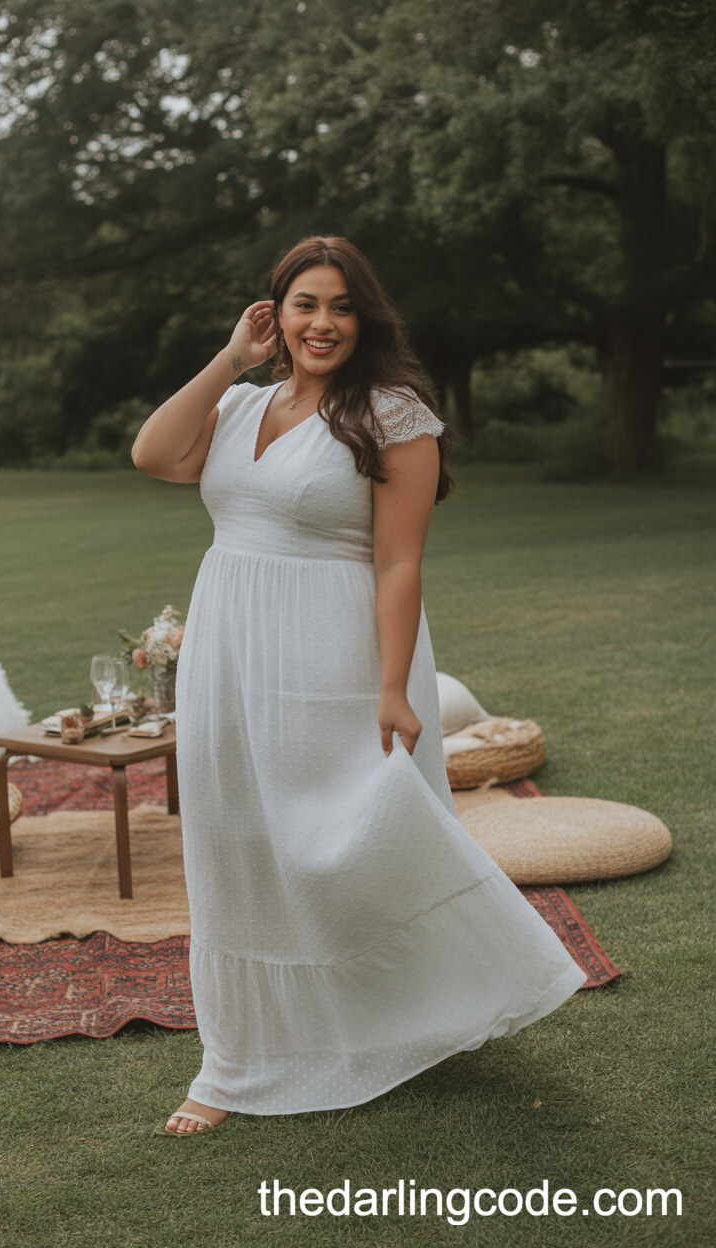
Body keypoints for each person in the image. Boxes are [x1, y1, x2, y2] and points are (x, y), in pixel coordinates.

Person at [131, 235, 586, 1136]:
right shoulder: (240, 403)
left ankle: (433, 1000)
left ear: (365, 317)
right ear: (275, 313)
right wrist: (230, 357)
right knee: (233, 840)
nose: (323, 323)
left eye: (341, 306)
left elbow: (399, 563)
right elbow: (152, 453)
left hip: (333, 654)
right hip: (230, 651)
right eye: (305, 304)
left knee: (341, 840)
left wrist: (393, 687)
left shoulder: (394, 415)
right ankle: (232, 1059)